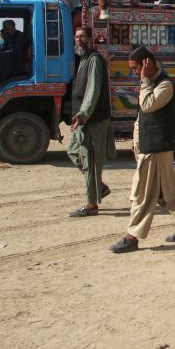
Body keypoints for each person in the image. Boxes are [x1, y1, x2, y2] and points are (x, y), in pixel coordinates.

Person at [109, 47, 175, 253]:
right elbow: (142, 117)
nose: (133, 72)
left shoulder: (164, 84)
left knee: (142, 193)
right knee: (166, 191)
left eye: (135, 68)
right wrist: (136, 141)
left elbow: (148, 105)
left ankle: (132, 237)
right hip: (150, 145)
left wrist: (145, 80)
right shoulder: (148, 83)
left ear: (147, 64)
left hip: (157, 146)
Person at [68, 27, 117, 217]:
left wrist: (83, 113)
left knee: (90, 162)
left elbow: (93, 90)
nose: (78, 40)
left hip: (92, 119)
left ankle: (91, 204)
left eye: (82, 37)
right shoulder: (83, 60)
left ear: (90, 39)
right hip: (83, 120)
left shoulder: (95, 60)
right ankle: (99, 187)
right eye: (76, 37)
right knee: (73, 152)